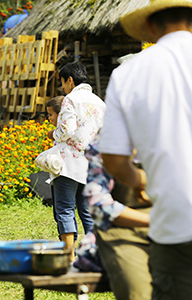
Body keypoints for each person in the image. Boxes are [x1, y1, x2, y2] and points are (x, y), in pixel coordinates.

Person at [99, 1, 192, 299]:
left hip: (176, 225)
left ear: (151, 27)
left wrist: (140, 181)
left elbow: (113, 160)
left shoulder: (130, 74)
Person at [75, 135, 152, 300]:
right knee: (138, 292)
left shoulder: (177, 140)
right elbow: (97, 203)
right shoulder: (105, 145)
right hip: (121, 233)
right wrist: (154, 221)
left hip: (175, 226)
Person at [47, 62, 106, 262]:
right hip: (91, 163)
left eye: (63, 83)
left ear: (70, 80)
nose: (63, 88)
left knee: (64, 209)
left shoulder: (71, 99)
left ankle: (69, 258)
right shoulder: (99, 101)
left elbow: (66, 130)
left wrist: (53, 133)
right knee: (87, 211)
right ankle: (95, 255)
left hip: (69, 164)